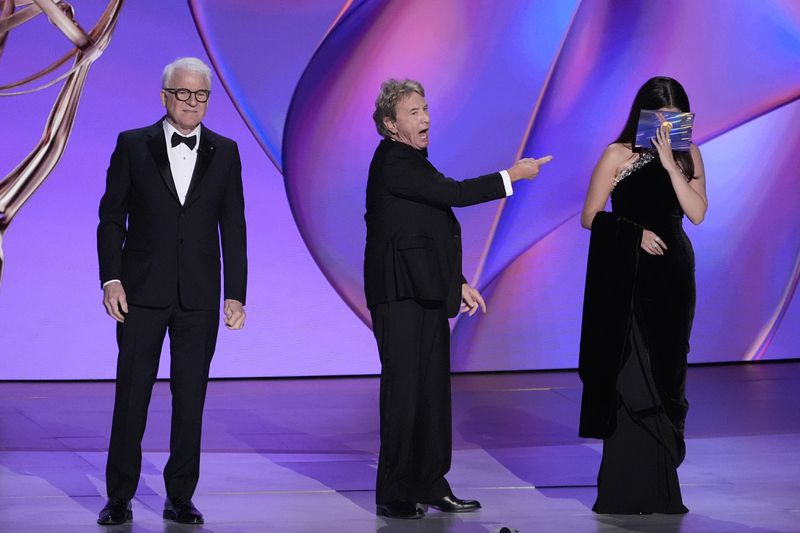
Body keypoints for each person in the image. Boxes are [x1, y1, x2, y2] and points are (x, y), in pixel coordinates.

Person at [364, 78, 551, 519]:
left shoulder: (413, 162)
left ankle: (430, 482)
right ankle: (394, 492)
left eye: (425, 109)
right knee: (404, 392)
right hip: (399, 295)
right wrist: (513, 176)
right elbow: (457, 195)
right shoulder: (394, 160)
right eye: (414, 112)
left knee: (430, 392)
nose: (425, 118)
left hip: (425, 290)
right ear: (391, 124)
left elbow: (425, 234)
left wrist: (457, 283)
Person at [96, 57, 247, 525]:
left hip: (199, 297)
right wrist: (111, 278)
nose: (192, 102)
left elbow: (234, 228)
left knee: (191, 399)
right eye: (183, 93)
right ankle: (118, 496)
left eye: (200, 95)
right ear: (164, 96)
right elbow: (110, 217)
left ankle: (180, 496)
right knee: (132, 396)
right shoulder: (132, 145)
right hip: (140, 293)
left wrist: (236, 293)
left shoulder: (226, 151)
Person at [578, 76, 707, 514]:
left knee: (669, 374)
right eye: (660, 120)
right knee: (632, 378)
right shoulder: (618, 154)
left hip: (673, 277)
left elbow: (698, 213)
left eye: (676, 120)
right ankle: (623, 491)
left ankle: (662, 489)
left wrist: (672, 164)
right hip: (628, 279)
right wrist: (633, 234)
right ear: (642, 116)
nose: (667, 129)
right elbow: (590, 216)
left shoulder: (690, 157)